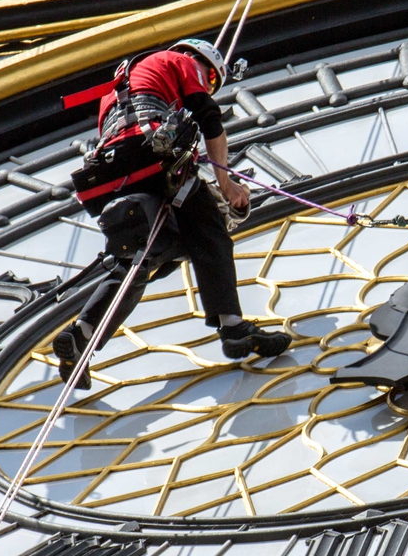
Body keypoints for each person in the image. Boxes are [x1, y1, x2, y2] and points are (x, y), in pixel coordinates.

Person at [56, 40, 292, 385]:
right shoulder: (179, 61)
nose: (208, 84)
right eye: (211, 80)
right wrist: (226, 185)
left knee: (142, 256)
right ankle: (232, 325)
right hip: (152, 152)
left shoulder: (117, 89)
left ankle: (82, 331)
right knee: (209, 229)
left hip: (112, 171)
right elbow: (208, 117)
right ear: (201, 62)